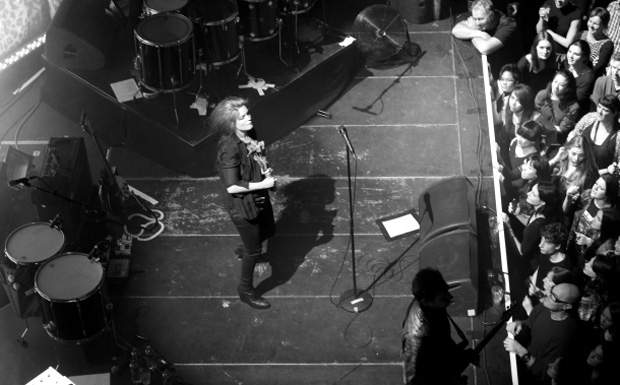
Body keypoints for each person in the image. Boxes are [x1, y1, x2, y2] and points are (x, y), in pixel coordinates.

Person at [212, 96, 277, 310]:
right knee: (254, 251)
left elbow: (257, 155)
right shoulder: (229, 149)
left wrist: (264, 169)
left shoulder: (249, 133)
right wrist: (264, 184)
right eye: (243, 117)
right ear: (231, 124)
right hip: (242, 205)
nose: (249, 118)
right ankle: (246, 290)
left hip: (258, 195)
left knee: (268, 229)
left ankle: (246, 247)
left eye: (248, 113)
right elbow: (233, 187)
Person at [402, 267, 479, 385]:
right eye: (442, 298)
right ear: (425, 301)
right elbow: (414, 381)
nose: (450, 297)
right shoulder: (417, 338)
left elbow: (441, 343)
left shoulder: (432, 304)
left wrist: (462, 356)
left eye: (447, 291)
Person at [504, 283, 581, 385]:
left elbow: (547, 375)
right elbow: (530, 321)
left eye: (554, 297)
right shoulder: (545, 307)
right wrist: (519, 324)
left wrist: (522, 352)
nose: (548, 297)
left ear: (566, 306)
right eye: (552, 292)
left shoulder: (564, 336)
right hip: (519, 358)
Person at [451, 0, 522, 79]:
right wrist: (480, 33)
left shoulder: (508, 25)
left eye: (481, 19)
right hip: (493, 62)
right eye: (475, 19)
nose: (477, 23)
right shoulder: (478, 15)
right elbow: (456, 30)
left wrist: (472, 31)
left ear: (491, 15)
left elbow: (484, 48)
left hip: (509, 71)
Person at [569, 94, 620, 175]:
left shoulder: (618, 135)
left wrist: (612, 169)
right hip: (576, 173)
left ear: (614, 114)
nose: (599, 112)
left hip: (599, 181)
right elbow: (573, 135)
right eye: (599, 107)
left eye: (605, 110)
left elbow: (617, 166)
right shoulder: (589, 118)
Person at [535, 69, 581, 145]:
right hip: (537, 136)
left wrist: (542, 126)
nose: (556, 86)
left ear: (568, 88)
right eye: (555, 81)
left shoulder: (573, 107)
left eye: (561, 85)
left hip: (556, 141)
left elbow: (561, 129)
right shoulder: (542, 94)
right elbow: (534, 114)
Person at [561, 40, 595, 112]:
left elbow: (578, 99)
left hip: (574, 111)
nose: (571, 56)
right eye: (569, 52)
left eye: (576, 54)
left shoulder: (588, 77)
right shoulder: (566, 64)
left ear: (584, 57)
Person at [579, 7, 614, 77]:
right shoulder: (581, 34)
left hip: (590, 78)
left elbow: (598, 67)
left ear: (604, 26)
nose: (591, 25)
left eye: (595, 24)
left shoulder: (607, 44)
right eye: (590, 21)